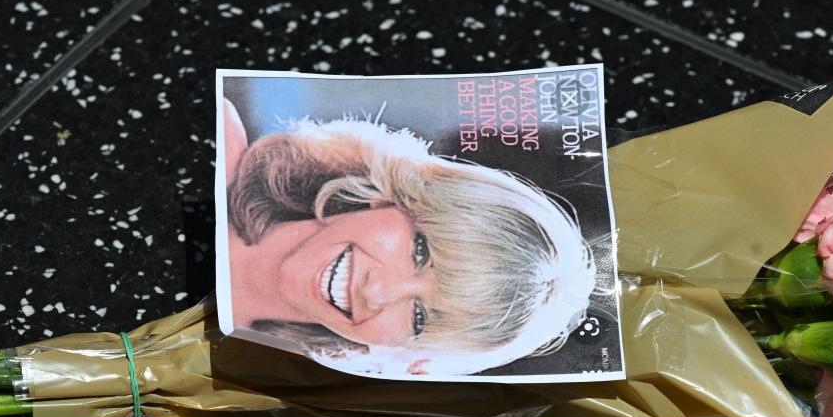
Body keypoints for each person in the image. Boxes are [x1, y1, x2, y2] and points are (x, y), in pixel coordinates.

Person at [221, 98, 599, 377]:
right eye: (421, 251)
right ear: (396, 195)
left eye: (419, 319)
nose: (377, 292)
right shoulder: (216, 136)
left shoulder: (238, 385)